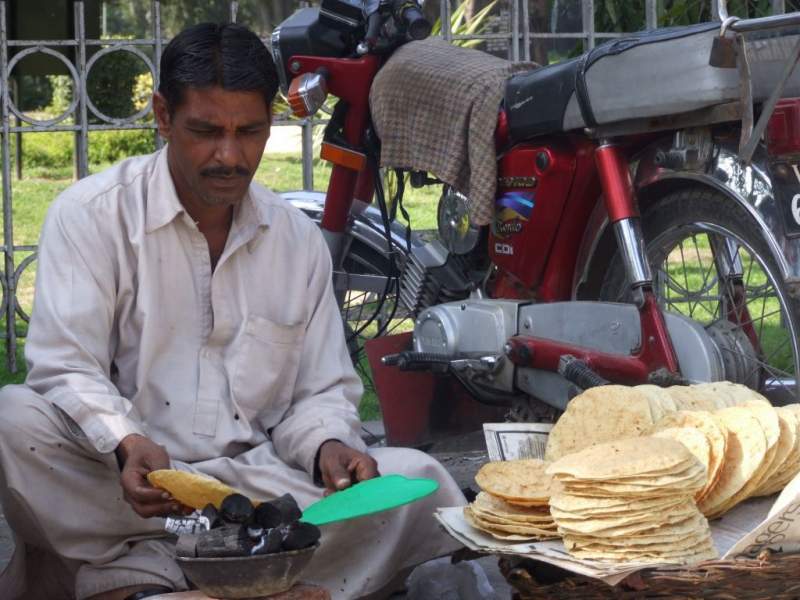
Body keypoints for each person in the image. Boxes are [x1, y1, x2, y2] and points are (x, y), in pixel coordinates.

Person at [0, 22, 465, 600]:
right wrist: (125, 441)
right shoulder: (91, 217)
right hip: (128, 488)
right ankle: (238, 564)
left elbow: (317, 393)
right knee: (13, 421)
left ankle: (160, 569)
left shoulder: (295, 241)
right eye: (205, 131)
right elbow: (66, 366)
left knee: (421, 481)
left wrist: (329, 447)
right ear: (163, 116)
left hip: (256, 487)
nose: (229, 155)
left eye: (249, 132)